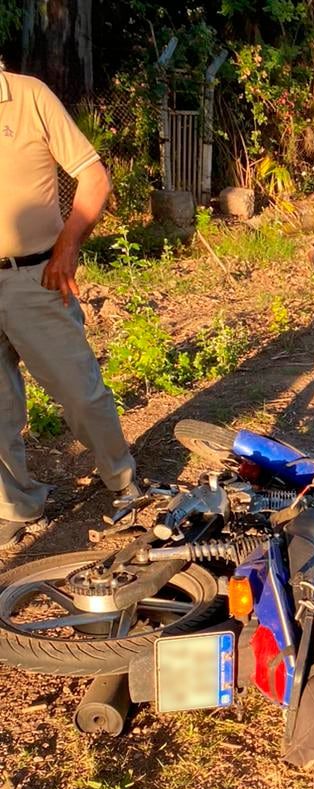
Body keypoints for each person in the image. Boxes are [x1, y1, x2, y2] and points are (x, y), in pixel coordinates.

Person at [0, 62, 138, 550]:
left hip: (35, 276)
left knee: (80, 392)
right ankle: (17, 505)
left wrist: (68, 246)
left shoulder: (28, 96)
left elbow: (94, 178)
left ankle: (121, 479)